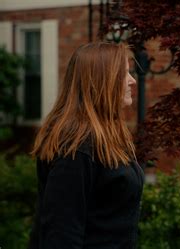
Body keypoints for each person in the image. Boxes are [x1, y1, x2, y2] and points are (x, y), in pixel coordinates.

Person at [28, 42, 143, 249]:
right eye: (124, 74)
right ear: (101, 81)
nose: (132, 81)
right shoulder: (75, 148)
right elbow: (61, 234)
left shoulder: (107, 135)